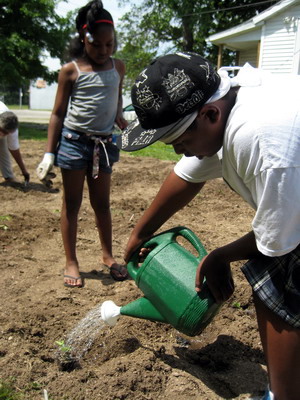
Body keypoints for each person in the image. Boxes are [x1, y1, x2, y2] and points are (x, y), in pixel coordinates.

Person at [116, 52, 300, 400]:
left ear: (210, 115)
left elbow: (279, 240)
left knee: (277, 287)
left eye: (181, 143)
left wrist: (221, 255)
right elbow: (186, 176)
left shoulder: (260, 141)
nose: (178, 153)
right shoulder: (231, 99)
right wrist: (139, 234)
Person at [36, 0, 128, 288]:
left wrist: (121, 118)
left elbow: (117, 101)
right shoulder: (70, 71)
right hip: (74, 143)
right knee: (72, 204)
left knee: (102, 204)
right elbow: (58, 114)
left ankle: (107, 256)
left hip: (104, 145)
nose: (103, 51)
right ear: (83, 39)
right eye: (96, 44)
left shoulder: (118, 67)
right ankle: (71, 261)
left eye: (109, 44)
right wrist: (49, 153)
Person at [0, 102, 30, 184]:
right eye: (3, 131)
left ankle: (8, 176)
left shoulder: (12, 129)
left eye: (7, 133)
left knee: (3, 147)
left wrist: (24, 170)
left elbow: (14, 149)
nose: (4, 135)